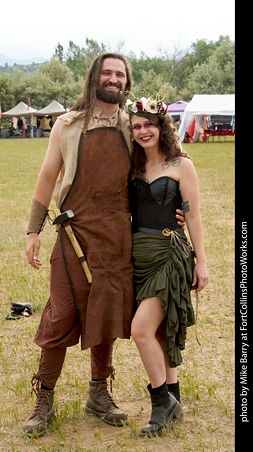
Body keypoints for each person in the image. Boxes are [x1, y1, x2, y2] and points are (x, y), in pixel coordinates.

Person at [23, 53, 185, 437]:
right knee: (60, 316)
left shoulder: (134, 125)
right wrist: (33, 231)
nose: (113, 79)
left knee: (108, 313)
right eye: (107, 72)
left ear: (126, 82)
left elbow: (167, 159)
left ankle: (99, 392)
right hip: (73, 234)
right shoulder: (66, 124)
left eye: (120, 74)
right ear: (94, 76)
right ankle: (44, 397)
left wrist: (177, 206)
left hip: (118, 236)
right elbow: (48, 177)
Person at [126, 88, 209, 437]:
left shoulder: (181, 165)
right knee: (159, 330)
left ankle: (162, 403)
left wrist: (201, 263)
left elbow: (193, 216)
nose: (143, 131)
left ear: (161, 125)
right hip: (138, 255)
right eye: (136, 126)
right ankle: (173, 396)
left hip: (169, 253)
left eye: (149, 124)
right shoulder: (132, 165)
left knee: (140, 329)